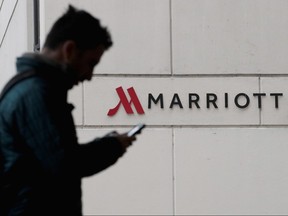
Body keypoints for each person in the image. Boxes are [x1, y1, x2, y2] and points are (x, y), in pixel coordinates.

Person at [0, 5, 136, 216]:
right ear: (70, 50)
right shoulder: (35, 94)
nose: (90, 76)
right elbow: (65, 165)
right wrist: (113, 145)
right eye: (91, 63)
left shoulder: (34, 90)